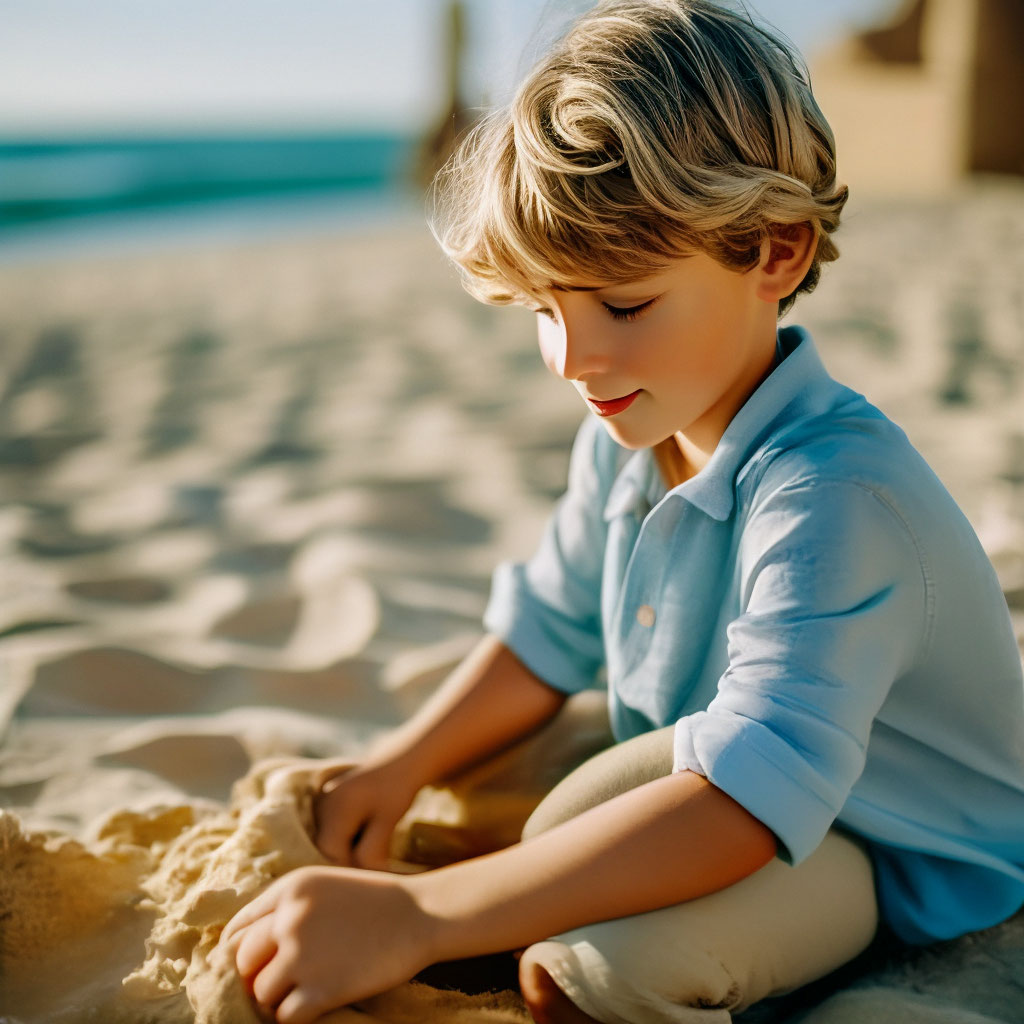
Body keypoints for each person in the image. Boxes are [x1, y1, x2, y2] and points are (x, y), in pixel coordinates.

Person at [220, 2, 1024, 1022]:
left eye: (624, 305)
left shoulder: (833, 497)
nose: (573, 359)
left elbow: (742, 802)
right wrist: (401, 763)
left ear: (773, 252)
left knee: (591, 971)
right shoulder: (631, 430)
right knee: (498, 779)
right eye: (546, 309)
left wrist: (421, 914)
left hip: (882, 844)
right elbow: (545, 630)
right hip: (726, 755)